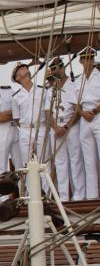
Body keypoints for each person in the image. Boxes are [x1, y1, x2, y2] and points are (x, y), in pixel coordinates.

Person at [46, 58, 87, 201]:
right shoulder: (51, 90)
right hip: (56, 128)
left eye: (57, 69)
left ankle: (79, 195)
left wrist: (66, 127)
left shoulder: (74, 85)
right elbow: (47, 112)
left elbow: (78, 110)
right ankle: (63, 197)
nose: (55, 72)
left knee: (76, 161)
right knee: (60, 163)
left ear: (62, 68)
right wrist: (55, 127)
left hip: (71, 126)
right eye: (53, 70)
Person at [11, 61, 51, 192]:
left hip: (41, 128)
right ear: (17, 78)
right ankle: (30, 197)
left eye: (25, 68)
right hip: (25, 130)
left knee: (45, 163)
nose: (25, 69)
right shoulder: (16, 97)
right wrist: (26, 128)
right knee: (27, 164)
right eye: (21, 69)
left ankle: (48, 196)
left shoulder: (42, 91)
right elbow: (16, 119)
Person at [77, 47, 100, 199]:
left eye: (91, 58)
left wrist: (95, 111)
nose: (88, 61)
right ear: (80, 61)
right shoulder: (78, 80)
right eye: (85, 59)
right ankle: (92, 195)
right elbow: (75, 103)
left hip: (98, 116)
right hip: (84, 118)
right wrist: (82, 113)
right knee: (88, 159)